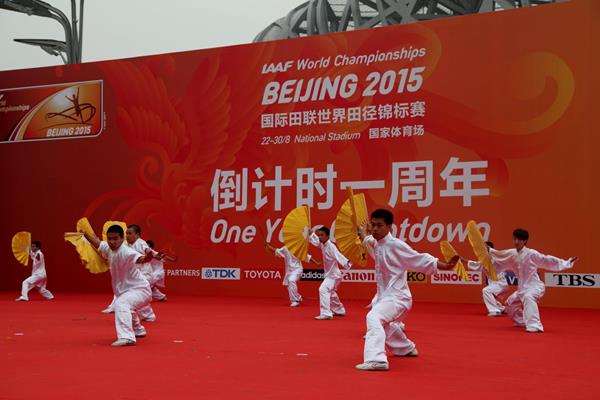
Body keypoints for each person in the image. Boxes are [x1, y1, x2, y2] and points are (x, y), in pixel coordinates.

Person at [355, 209, 458, 371]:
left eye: (379, 225)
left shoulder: (396, 245)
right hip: (385, 297)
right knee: (385, 324)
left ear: (389, 227)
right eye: (372, 225)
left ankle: (376, 360)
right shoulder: (375, 242)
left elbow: (419, 258)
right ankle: (406, 348)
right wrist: (362, 233)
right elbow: (367, 239)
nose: (374, 229)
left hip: (398, 298)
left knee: (373, 317)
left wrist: (445, 266)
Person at [489, 228, 577, 333]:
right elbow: (500, 254)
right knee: (509, 304)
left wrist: (566, 263)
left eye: (520, 240)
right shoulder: (512, 254)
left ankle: (535, 325)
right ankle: (522, 321)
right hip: (522, 288)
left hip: (534, 287)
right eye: (515, 239)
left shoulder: (531, 253)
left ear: (525, 241)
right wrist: (488, 251)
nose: (517, 242)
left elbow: (547, 260)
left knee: (528, 297)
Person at [82, 225, 157, 346]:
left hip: (140, 289)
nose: (112, 242)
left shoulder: (127, 252)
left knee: (122, 304)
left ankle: (127, 337)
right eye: (109, 238)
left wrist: (149, 257)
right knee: (127, 307)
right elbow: (98, 244)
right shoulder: (108, 248)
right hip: (125, 291)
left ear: (122, 239)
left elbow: (142, 259)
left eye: (115, 238)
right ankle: (138, 330)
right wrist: (86, 234)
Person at [309, 226, 352, 320]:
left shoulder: (331, 246)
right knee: (331, 292)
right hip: (331, 274)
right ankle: (339, 310)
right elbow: (316, 242)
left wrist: (347, 263)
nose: (319, 237)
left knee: (323, 289)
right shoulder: (322, 244)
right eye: (319, 235)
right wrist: (311, 234)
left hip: (334, 275)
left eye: (322, 235)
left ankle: (326, 313)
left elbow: (338, 255)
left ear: (328, 236)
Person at [265, 243, 318, 307]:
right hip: (289, 271)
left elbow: (308, 257)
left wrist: (317, 263)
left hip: (298, 270)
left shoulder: (299, 249)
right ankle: (298, 296)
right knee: (290, 286)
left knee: (291, 280)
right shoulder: (285, 248)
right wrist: (268, 246)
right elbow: (276, 250)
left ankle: (295, 301)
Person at [465, 241, 509, 316]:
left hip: (500, 283)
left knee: (486, 291)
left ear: (490, 249)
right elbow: (474, 264)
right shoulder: (484, 261)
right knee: (485, 296)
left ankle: (495, 311)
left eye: (486, 247)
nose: (483, 249)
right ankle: (501, 308)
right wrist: (461, 259)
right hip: (494, 284)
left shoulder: (497, 258)